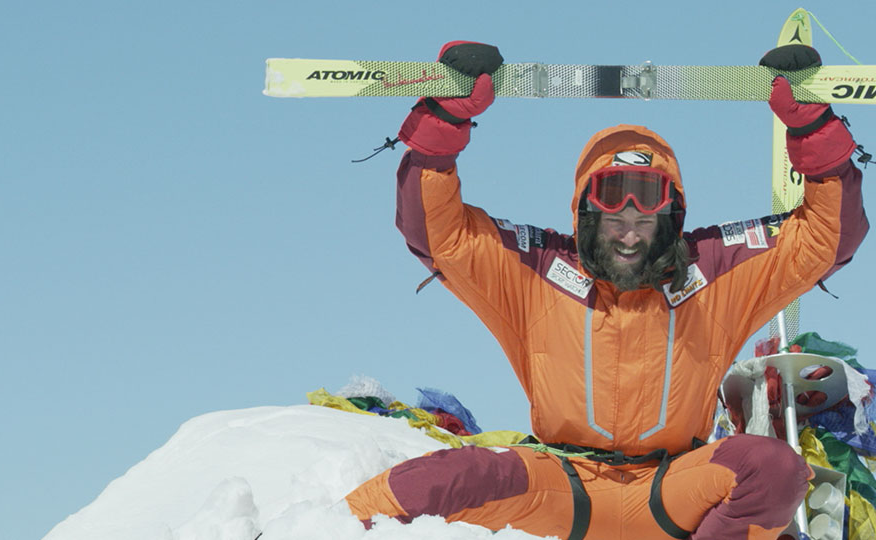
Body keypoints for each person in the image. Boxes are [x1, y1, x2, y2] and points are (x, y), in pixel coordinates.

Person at [344, 42, 869, 540]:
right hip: (563, 484)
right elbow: (440, 234)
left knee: (774, 469)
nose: (629, 228)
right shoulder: (539, 267)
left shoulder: (710, 270)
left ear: (673, 216)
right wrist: (445, 119)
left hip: (671, 488)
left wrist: (815, 130)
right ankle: (309, 525)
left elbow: (826, 240)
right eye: (611, 210)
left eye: (648, 213)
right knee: (446, 477)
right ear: (584, 213)